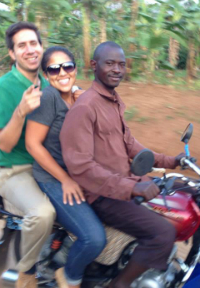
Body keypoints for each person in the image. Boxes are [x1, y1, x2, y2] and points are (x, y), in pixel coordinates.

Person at [60, 41, 185, 288]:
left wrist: (173, 162)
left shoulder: (113, 102)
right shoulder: (85, 106)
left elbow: (132, 146)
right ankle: (121, 284)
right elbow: (81, 166)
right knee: (162, 234)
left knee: (184, 192)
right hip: (102, 195)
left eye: (122, 64)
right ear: (94, 65)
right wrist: (131, 188)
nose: (117, 69)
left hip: (123, 184)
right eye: (110, 63)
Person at [25, 46, 106, 288]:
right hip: (53, 178)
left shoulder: (79, 96)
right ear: (47, 75)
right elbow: (32, 144)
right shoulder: (49, 98)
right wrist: (65, 180)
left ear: (75, 69)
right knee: (93, 238)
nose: (62, 72)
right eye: (54, 68)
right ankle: (68, 276)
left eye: (67, 66)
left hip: (80, 175)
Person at [0, 22, 57, 288]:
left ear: (41, 47)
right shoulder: (2, 87)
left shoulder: (50, 83)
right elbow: (4, 145)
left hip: (47, 166)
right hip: (15, 170)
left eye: (34, 43)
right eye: (22, 45)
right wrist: (21, 111)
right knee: (42, 214)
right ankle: (26, 273)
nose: (30, 50)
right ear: (12, 54)